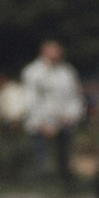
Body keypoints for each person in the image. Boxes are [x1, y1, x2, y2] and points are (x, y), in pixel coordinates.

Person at [13, 35, 85, 184]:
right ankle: (38, 181)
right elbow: (30, 100)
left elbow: (74, 97)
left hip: (64, 121)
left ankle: (65, 181)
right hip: (40, 122)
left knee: (64, 154)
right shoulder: (33, 72)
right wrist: (42, 122)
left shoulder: (67, 72)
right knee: (40, 156)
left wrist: (71, 116)